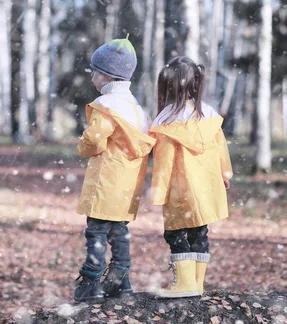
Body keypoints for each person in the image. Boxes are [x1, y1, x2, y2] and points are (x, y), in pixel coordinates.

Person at [74, 37, 156, 302]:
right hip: (127, 186)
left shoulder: (106, 108)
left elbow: (95, 139)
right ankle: (120, 280)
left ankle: (91, 283)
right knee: (119, 232)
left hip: (105, 182)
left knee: (96, 232)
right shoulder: (137, 110)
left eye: (94, 73)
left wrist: (82, 145)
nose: (92, 78)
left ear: (106, 77)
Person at [149, 56, 233, 298]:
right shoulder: (208, 114)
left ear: (167, 86)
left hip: (179, 190)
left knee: (174, 232)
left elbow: (163, 163)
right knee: (200, 231)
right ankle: (197, 283)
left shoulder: (165, 120)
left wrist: (159, 190)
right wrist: (224, 174)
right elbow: (221, 148)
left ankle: (184, 284)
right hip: (205, 187)